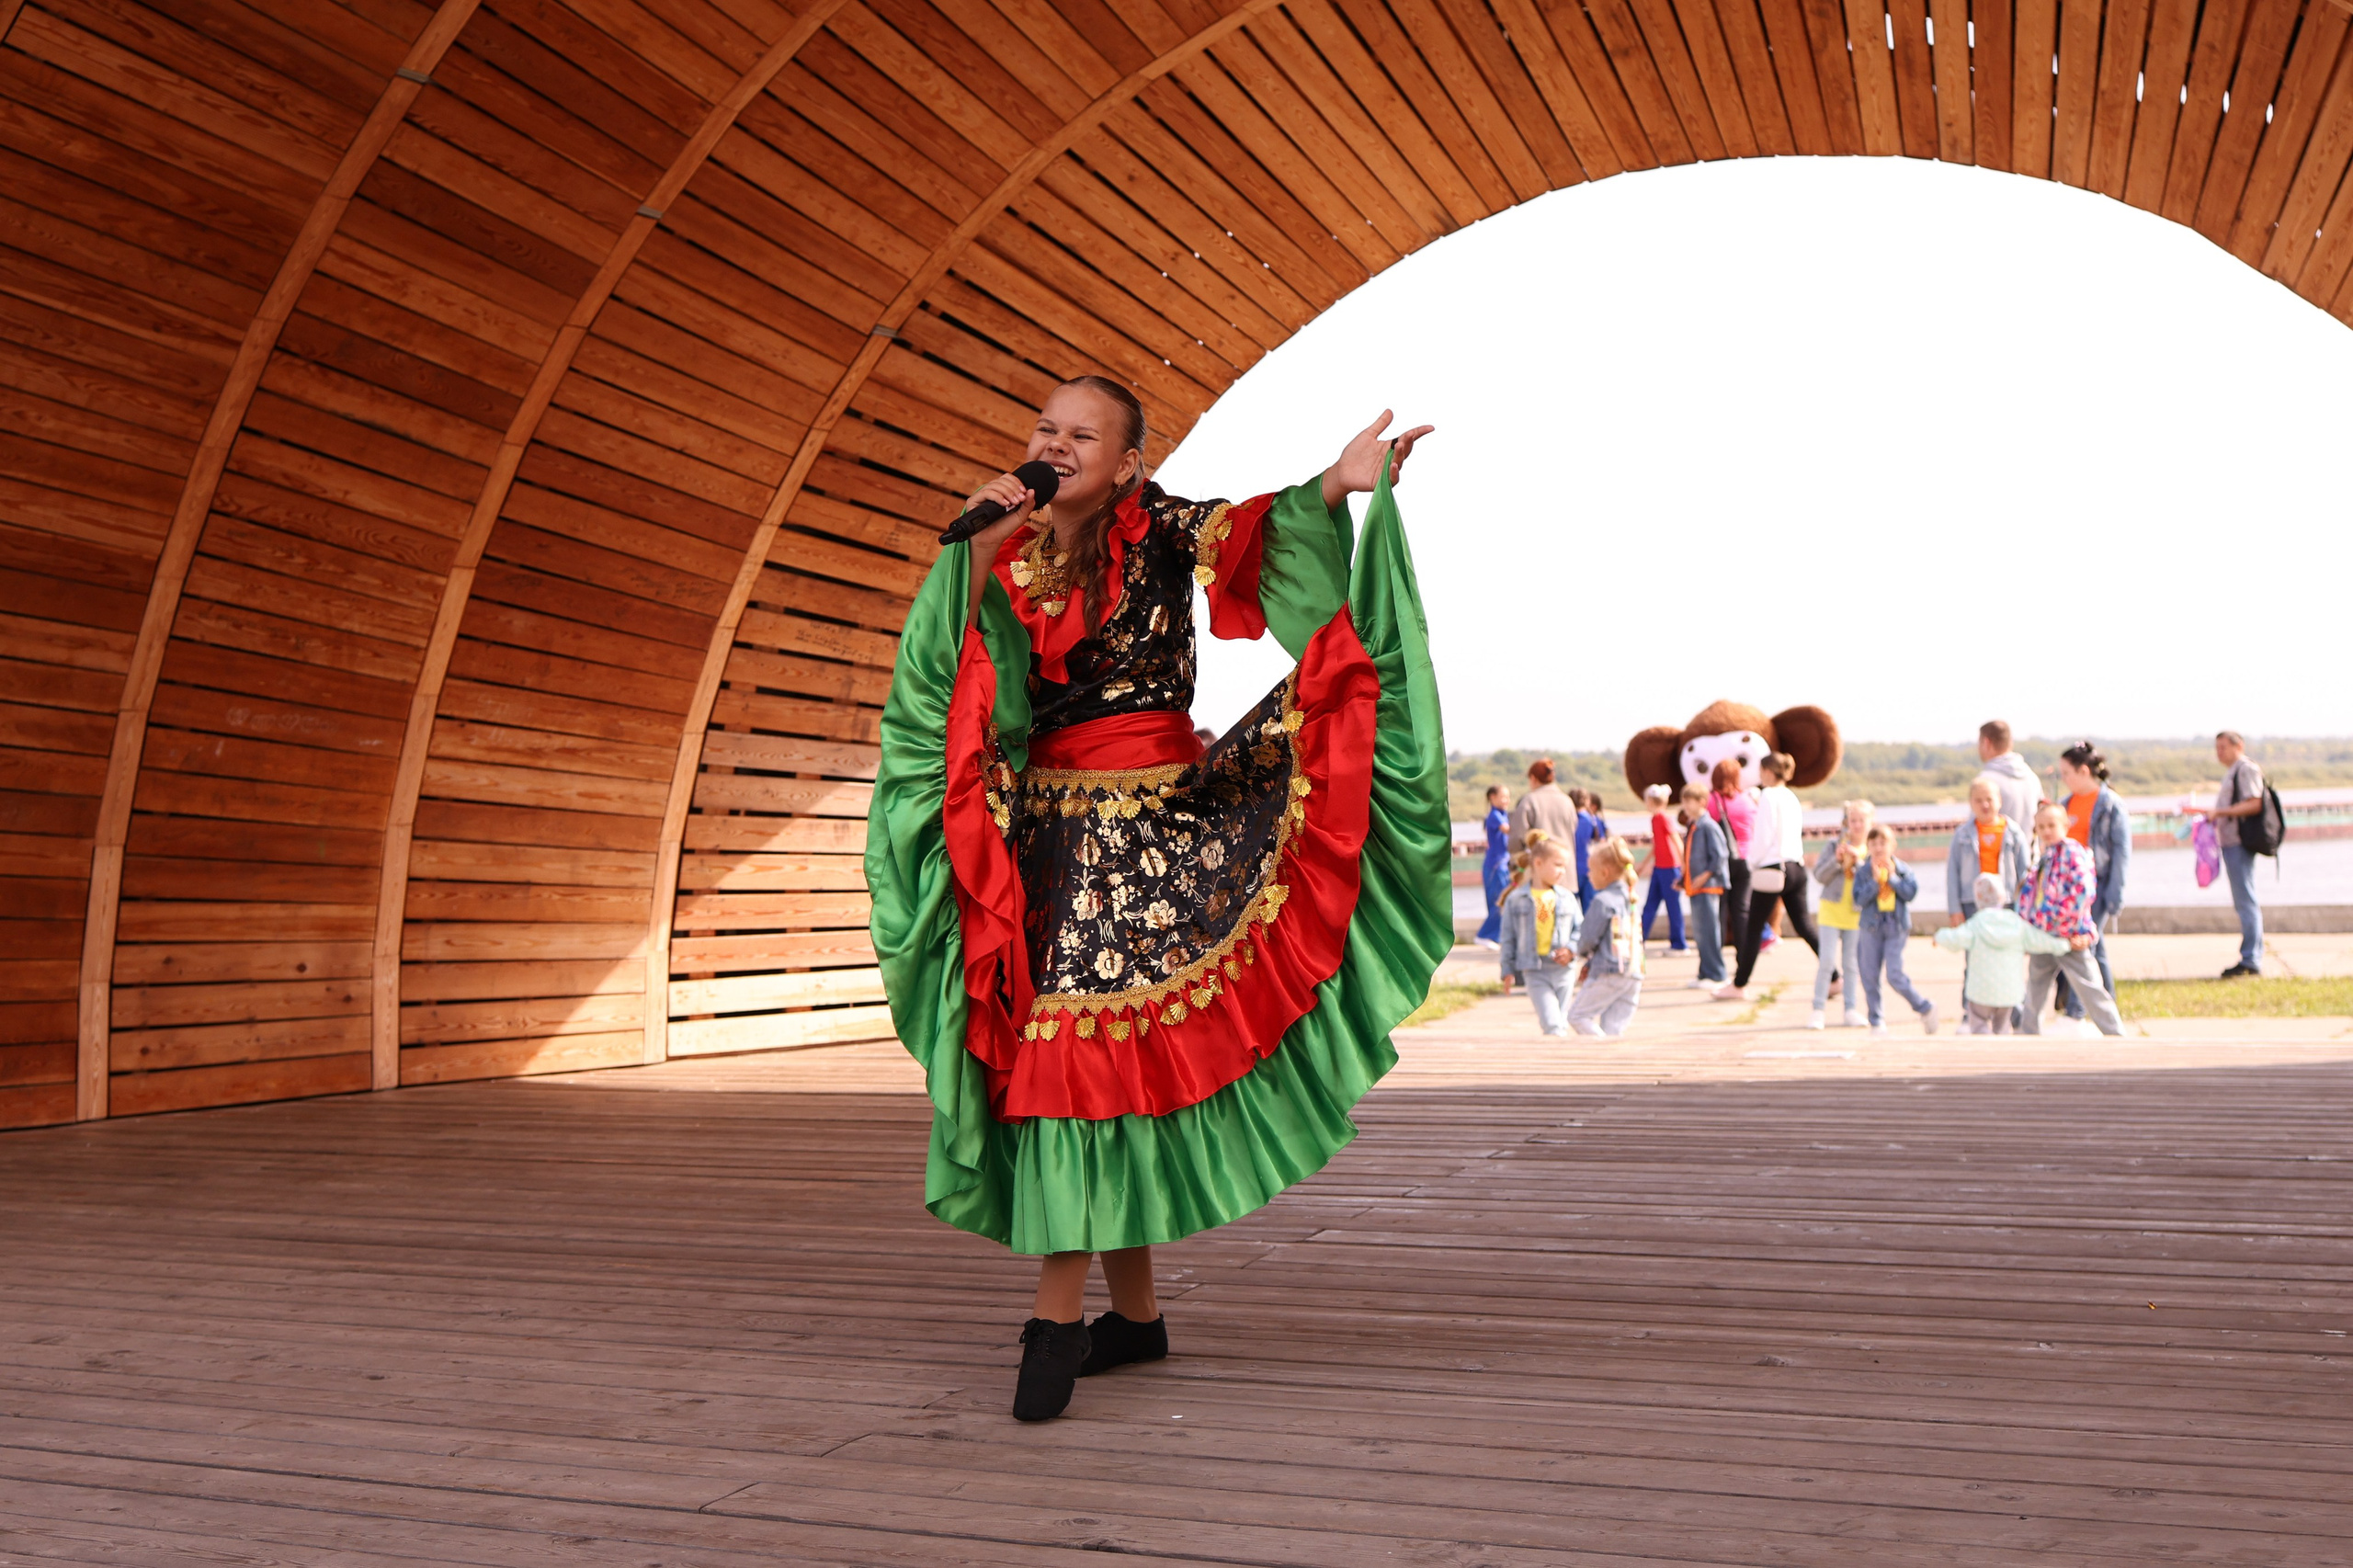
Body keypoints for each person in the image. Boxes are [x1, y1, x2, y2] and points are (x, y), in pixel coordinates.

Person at [870, 384, 1446, 1423]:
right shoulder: (1007, 546)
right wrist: (978, 543)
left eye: (1081, 435)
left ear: (1128, 461)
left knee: (1075, 1062)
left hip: (1147, 832)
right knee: (1100, 1058)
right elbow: (949, 671)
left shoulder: (1162, 526)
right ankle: (1134, 1318)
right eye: (1046, 430)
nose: (1055, 445)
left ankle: (1055, 1319)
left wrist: (1336, 482)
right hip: (1045, 838)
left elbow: (1257, 532)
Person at [2016, 801, 2125, 1036]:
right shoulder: (2045, 858)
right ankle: (2029, 1033)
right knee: (2035, 986)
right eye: (2041, 827)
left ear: (2065, 825)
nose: (2046, 831)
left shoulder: (2072, 853)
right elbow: (2033, 894)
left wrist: (2067, 923)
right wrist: (2028, 923)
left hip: (2069, 935)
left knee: (2089, 985)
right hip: (2044, 935)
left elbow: (2083, 890)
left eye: (2052, 825)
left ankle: (2114, 1033)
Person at [1719, 753, 1818, 1001]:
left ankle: (1738, 985)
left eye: (1761, 771)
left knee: (1753, 928)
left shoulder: (1768, 795)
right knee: (1804, 925)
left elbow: (1763, 836)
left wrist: (1752, 862)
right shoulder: (1791, 796)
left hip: (1773, 868)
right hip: (1796, 866)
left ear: (1768, 772)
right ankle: (1835, 975)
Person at [1935, 872, 2070, 1034]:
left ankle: (1985, 1042)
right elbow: (2040, 940)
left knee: (1978, 1022)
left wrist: (1938, 937)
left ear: (1978, 898)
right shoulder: (2016, 923)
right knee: (2002, 1025)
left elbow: (1955, 938)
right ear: (2002, 897)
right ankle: (2001, 1043)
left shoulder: (1976, 924)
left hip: (1980, 992)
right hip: (2009, 993)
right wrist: (2066, 944)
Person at [2054, 742, 2130, 1018]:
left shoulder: (2110, 804)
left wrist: (2115, 893)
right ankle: (2108, 1007)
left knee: (2084, 945)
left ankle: (2076, 1011)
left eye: (2067, 773)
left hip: (2097, 886)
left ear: (2083, 771)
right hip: (2069, 891)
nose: (2064, 779)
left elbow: (2121, 851)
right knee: (2095, 948)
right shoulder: (2065, 805)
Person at [2186, 731, 2267, 978]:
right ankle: (2250, 956)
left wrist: (2219, 813)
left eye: (2223, 747)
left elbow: (2255, 803)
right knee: (2244, 901)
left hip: (2240, 843)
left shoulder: (2246, 769)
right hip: (2231, 842)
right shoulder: (2234, 770)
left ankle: (2251, 959)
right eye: (2217, 748)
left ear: (2238, 745)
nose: (2219, 752)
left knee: (2246, 900)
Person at [1853, 823, 1938, 1035]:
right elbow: (1858, 899)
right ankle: (1876, 1020)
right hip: (1871, 927)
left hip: (1896, 925)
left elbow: (1910, 893)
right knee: (1869, 975)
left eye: (1883, 843)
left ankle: (1924, 1007)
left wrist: (1892, 879)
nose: (1878, 848)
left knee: (1894, 974)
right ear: (1868, 846)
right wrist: (1874, 882)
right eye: (1873, 843)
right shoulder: (1863, 871)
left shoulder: (1902, 869)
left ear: (1893, 845)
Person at [1498, 838, 1579, 1035]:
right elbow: (1508, 937)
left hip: (1564, 970)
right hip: (1534, 970)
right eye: (1558, 865)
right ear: (1538, 863)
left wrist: (1571, 950)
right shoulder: (1516, 899)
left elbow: (1580, 930)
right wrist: (1507, 969)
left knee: (1561, 1020)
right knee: (1552, 1022)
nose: (1562, 871)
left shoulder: (1567, 898)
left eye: (1565, 867)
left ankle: (1558, 1052)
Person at [1566, 836, 1644, 1036]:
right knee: (1613, 1030)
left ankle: (1600, 1047)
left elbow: (1588, 939)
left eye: (1591, 870)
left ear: (1605, 872)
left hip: (1609, 971)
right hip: (1635, 970)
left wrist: (1579, 953)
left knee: (1577, 1016)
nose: (1588, 875)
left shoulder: (1602, 901)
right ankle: (1611, 1054)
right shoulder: (1631, 899)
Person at [1807, 800, 1871, 1029]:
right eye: (1853, 821)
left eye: (1861, 821)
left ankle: (1850, 1010)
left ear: (1869, 823)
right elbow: (1819, 875)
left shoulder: (1871, 850)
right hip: (1830, 911)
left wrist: (1858, 862)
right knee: (1826, 961)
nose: (1857, 825)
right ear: (1846, 823)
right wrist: (1836, 860)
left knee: (1851, 964)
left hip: (1855, 915)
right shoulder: (1834, 845)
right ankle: (1818, 1010)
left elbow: (1872, 881)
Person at [1946, 778, 2029, 924]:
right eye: (1978, 800)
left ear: (1999, 800)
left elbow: (2024, 872)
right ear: (1971, 803)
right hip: (1971, 902)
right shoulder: (1962, 835)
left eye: (1989, 799)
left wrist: (2025, 905)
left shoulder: (2014, 833)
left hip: (2007, 901)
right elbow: (1952, 873)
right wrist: (1955, 909)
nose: (1984, 805)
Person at [1706, 756, 1757, 960]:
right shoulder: (1747, 800)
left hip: (1721, 862)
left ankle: (1716, 960)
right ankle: (1743, 958)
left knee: (1719, 910)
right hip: (1745, 861)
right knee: (1741, 911)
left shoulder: (1711, 801)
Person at [1679, 783, 1730, 986]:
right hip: (1695, 886)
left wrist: (1704, 876)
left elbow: (1720, 855)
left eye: (1688, 801)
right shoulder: (1694, 825)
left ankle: (1717, 974)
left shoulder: (1708, 826)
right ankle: (1705, 972)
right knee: (1700, 932)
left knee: (1709, 931)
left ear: (1701, 802)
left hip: (1707, 886)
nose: (1685, 805)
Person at [1638, 783, 1686, 951]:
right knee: (1650, 904)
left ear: (1651, 801)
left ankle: (1679, 944)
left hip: (1670, 868)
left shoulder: (1663, 818)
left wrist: (1684, 865)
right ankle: (1639, 939)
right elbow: (1656, 845)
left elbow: (1676, 840)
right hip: (1659, 868)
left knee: (1673, 906)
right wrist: (1643, 865)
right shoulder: (1654, 819)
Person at [1976, 719, 2040, 841]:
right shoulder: (2031, 777)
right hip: (2030, 851)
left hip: (1998, 851)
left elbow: (1974, 831)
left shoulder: (1984, 781)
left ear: (1986, 742)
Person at [1507, 759, 1578, 857]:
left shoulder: (1529, 801)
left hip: (1540, 862)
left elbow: (1517, 838)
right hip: (1565, 861)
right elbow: (1574, 828)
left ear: (1533, 778)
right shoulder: (1567, 800)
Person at [1475, 784, 1511, 947]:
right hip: (1496, 866)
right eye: (1503, 797)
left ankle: (1496, 937)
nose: (1507, 800)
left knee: (1501, 901)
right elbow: (1508, 830)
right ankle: (1483, 935)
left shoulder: (1503, 814)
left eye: (1508, 797)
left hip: (1503, 864)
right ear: (1492, 797)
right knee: (1499, 902)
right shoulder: (1495, 815)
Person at [1570, 789, 1606, 910]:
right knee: (1590, 909)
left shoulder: (1570, 820)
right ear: (1587, 801)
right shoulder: (1593, 820)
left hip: (1571, 868)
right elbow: (1601, 842)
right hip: (1590, 868)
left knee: (1570, 909)